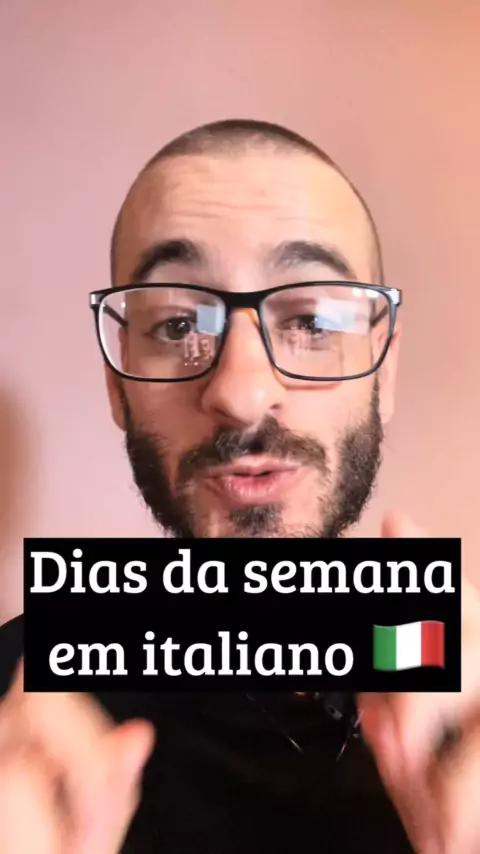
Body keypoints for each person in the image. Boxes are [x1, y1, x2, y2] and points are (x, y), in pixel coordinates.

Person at [0, 119, 479, 854]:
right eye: (177, 325)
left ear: (384, 373)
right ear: (118, 384)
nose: (242, 393)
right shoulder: (19, 710)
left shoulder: (461, 706)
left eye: (312, 319)